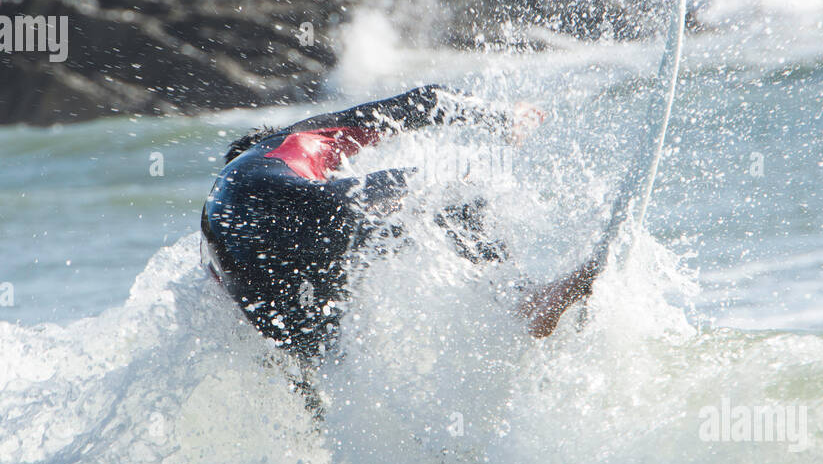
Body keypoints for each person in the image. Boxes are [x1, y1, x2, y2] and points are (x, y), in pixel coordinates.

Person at [200, 84, 600, 364]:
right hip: (298, 209)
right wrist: (500, 117)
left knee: (328, 369)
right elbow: (421, 102)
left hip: (249, 269)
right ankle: (523, 297)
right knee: (455, 191)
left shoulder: (214, 216)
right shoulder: (286, 145)